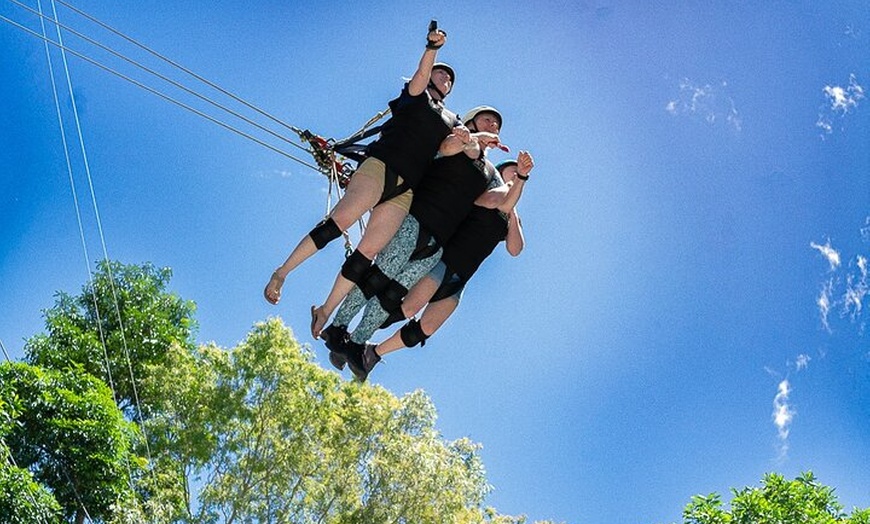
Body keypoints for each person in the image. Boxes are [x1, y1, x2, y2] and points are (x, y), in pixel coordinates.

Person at [320, 109, 528, 380]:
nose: (494, 125)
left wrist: (516, 184)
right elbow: (451, 149)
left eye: (497, 124)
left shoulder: (489, 174)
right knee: (378, 278)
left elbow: (503, 216)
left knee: (392, 294)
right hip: (417, 218)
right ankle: (337, 327)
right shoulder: (463, 144)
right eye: (488, 119)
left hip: (439, 241)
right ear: (471, 120)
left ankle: (357, 342)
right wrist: (475, 139)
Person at [264, 22, 460, 307]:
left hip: (406, 186)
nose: (446, 79)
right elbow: (420, 74)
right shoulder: (415, 95)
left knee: (368, 251)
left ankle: (325, 309)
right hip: (381, 165)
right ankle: (281, 272)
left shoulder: (452, 120)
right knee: (340, 221)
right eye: (442, 73)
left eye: (450, 79)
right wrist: (432, 48)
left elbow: (446, 148)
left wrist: (473, 139)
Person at [361, 156, 532, 377]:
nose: (516, 174)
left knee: (427, 327)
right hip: (443, 259)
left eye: (518, 173)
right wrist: (513, 185)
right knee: (408, 308)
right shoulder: (488, 191)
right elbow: (492, 201)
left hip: (462, 275)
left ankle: (374, 352)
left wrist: (514, 210)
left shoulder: (511, 216)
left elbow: (515, 249)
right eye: (512, 171)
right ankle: (356, 336)